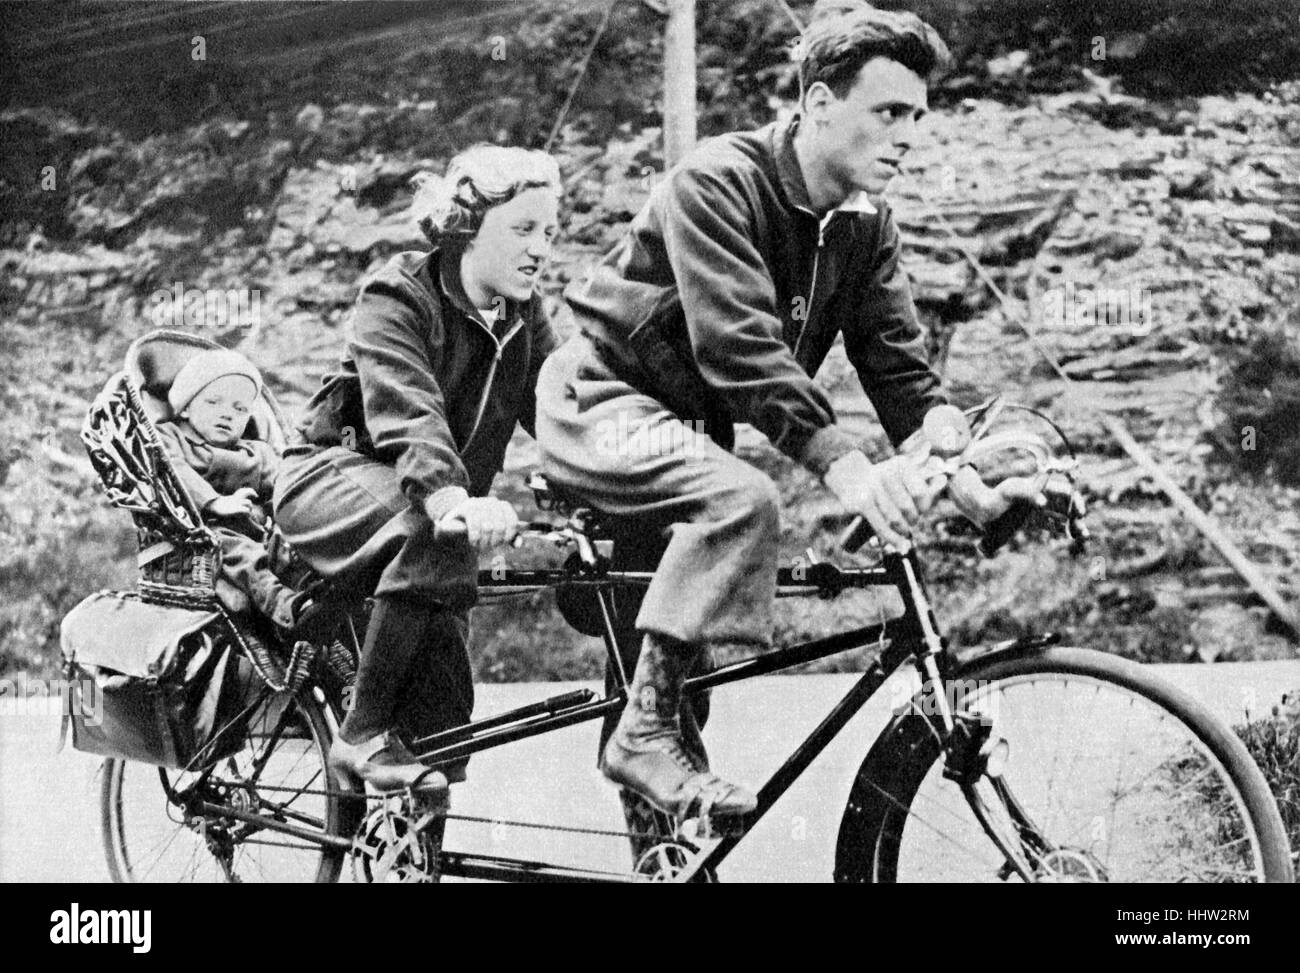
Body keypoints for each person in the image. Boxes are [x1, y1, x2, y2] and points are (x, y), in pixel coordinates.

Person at [534, 2, 1042, 822]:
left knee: (674, 673)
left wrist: (964, 463)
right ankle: (642, 734)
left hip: (691, 431)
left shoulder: (866, 226)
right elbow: (738, 349)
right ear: (816, 105)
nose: (909, 134)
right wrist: (848, 468)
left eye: (917, 115)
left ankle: (663, 839)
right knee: (741, 499)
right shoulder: (716, 180)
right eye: (888, 112)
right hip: (600, 400)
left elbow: (902, 372)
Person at [273, 145, 562, 794]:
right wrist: (451, 496)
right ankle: (359, 736)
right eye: (523, 228)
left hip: (431, 510)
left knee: (443, 721)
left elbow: (565, 411)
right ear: (466, 226)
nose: (541, 247)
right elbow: (409, 412)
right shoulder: (397, 295)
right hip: (329, 479)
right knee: (430, 533)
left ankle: (410, 859)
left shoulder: (525, 315)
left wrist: (617, 480)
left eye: (549, 232)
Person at [156, 349, 303, 635]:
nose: (227, 413)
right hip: (203, 533)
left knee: (294, 548)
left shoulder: (256, 452)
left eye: (240, 408)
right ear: (185, 407)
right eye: (213, 402)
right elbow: (172, 471)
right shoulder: (170, 437)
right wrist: (214, 502)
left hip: (259, 530)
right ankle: (285, 608)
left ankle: (316, 602)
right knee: (238, 552)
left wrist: (288, 518)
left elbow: (284, 486)